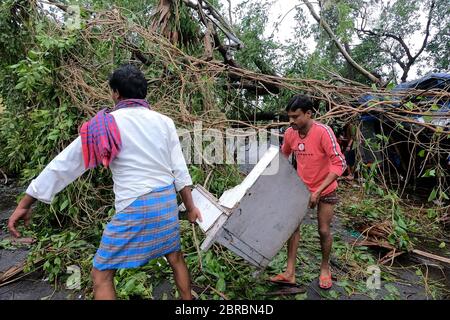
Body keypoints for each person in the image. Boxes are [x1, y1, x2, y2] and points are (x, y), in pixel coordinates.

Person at [7, 64, 202, 300]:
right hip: (165, 203)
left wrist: (26, 202)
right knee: (176, 257)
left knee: (101, 274)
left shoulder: (104, 126)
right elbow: (179, 171)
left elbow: (65, 164)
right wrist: (190, 208)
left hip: (134, 206)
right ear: (143, 93)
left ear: (116, 93)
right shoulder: (164, 122)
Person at [269, 94, 346, 290]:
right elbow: (283, 156)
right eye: (290, 117)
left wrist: (318, 191)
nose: (291, 121)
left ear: (309, 114)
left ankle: (325, 268)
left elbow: (340, 164)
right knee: (292, 228)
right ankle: (290, 272)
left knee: (323, 230)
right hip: (302, 188)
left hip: (326, 188)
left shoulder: (323, 132)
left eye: (295, 116)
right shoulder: (290, 133)